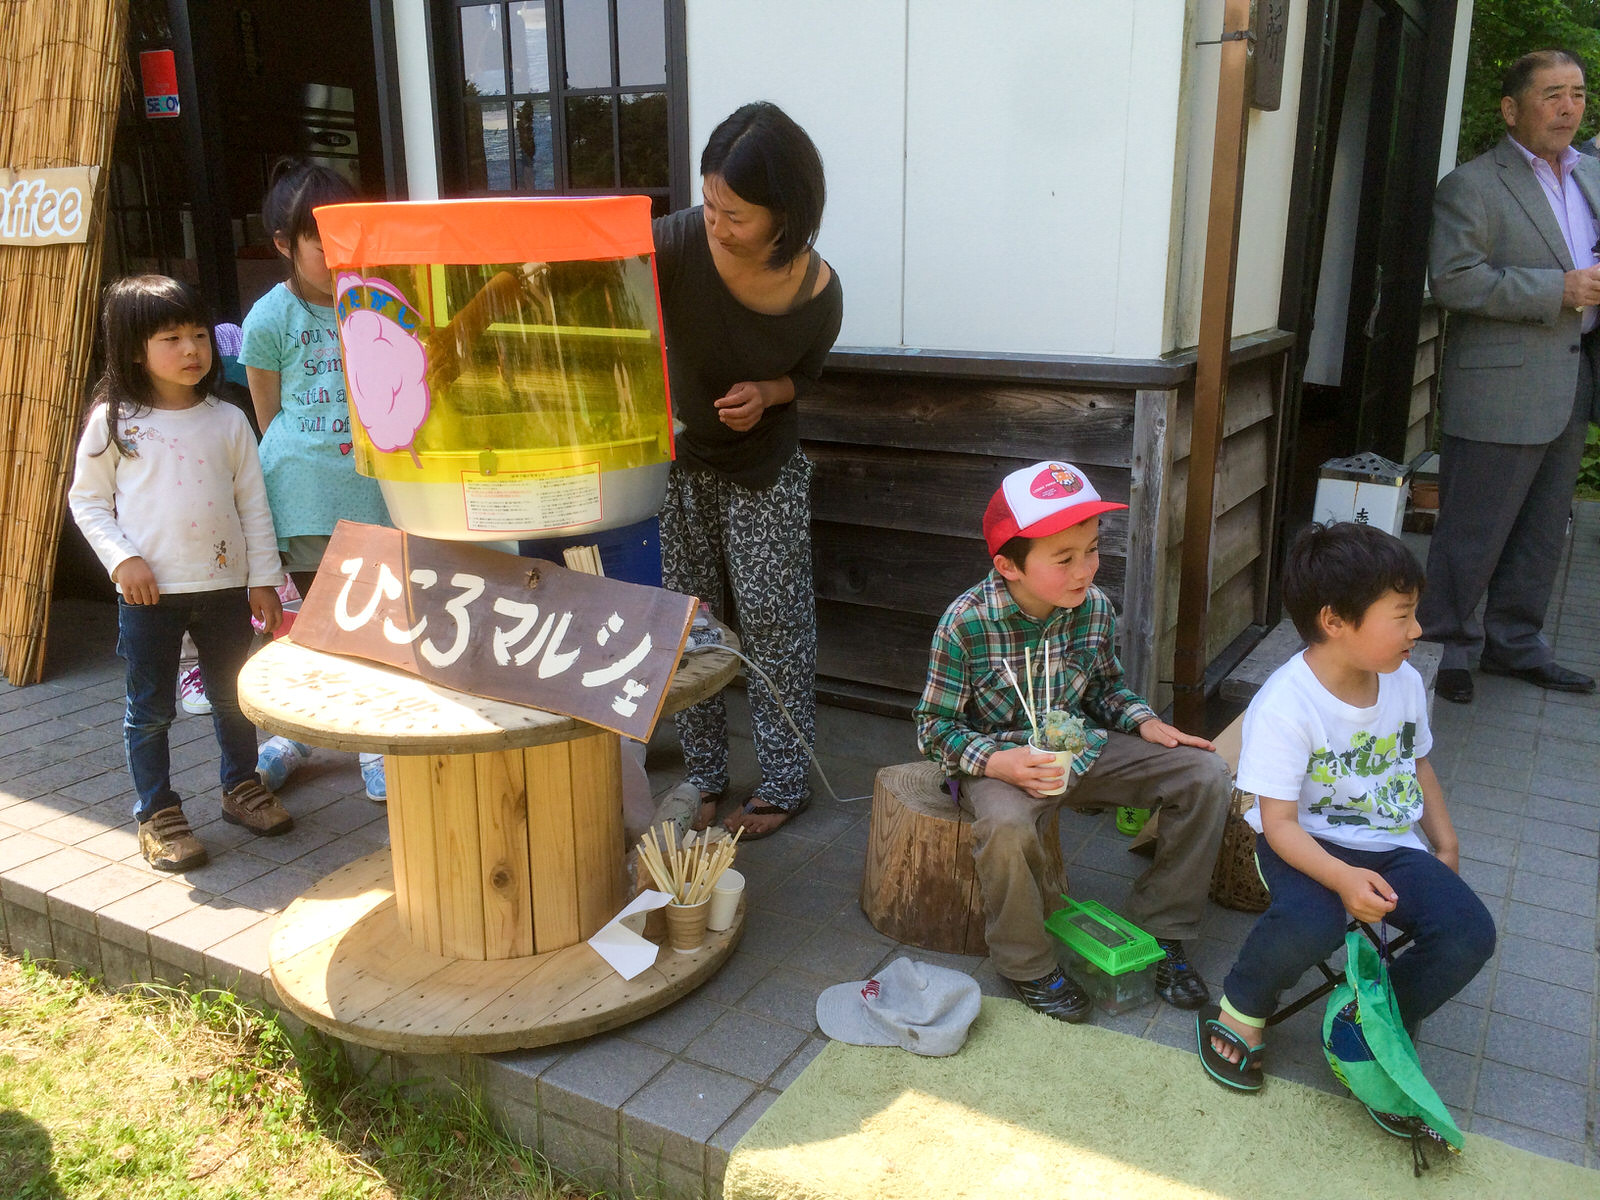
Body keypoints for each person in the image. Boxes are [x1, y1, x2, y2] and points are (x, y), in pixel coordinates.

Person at [915, 460, 1232, 1022]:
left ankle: (1163, 930)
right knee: (1007, 828)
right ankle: (1027, 965)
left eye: (1090, 550)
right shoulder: (965, 624)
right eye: (1064, 558)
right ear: (1008, 565)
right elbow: (932, 727)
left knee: (1203, 774)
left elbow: (1105, 691)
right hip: (1003, 762)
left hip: (1079, 748)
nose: (1084, 570)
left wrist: (1140, 720)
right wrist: (1000, 762)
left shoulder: (1094, 610)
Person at [1197, 524, 1495, 1118]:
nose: (1417, 631)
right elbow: (1277, 824)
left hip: (1389, 843)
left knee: (1470, 932)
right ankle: (1242, 1006)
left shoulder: (1404, 681)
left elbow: (1417, 760)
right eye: (1402, 616)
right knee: (1313, 921)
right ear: (1335, 622)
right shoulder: (1286, 704)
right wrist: (1339, 878)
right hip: (1303, 844)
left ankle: (1379, 1021)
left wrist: (1446, 841)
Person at [652, 102, 843, 840]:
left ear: (785, 215)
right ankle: (702, 775)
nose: (716, 223)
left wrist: (768, 392)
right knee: (688, 622)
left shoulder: (819, 293)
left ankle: (787, 782)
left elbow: (807, 377)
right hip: (678, 463)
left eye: (736, 213)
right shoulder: (671, 244)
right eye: (710, 202)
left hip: (765, 467)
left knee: (775, 623)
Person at [68, 275, 291, 872]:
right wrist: (123, 559)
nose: (192, 349)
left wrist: (262, 578)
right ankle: (157, 812)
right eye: (172, 337)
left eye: (199, 335)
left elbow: (253, 505)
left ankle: (241, 787)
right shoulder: (115, 422)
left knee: (231, 698)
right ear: (135, 349)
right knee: (151, 708)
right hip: (148, 596)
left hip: (222, 589)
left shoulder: (227, 420)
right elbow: (86, 502)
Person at [1423, 48, 1599, 704]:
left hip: (1572, 379)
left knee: (1544, 527)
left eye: (1578, 93)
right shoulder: (1472, 184)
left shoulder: (1591, 177)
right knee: (1474, 529)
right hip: (1500, 385)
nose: (1568, 107)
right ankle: (1446, 645)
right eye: (1552, 93)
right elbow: (1455, 280)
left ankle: (1516, 642)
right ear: (1511, 108)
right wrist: (1560, 288)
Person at [240, 159, 390, 801]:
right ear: (283, 245)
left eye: (347, 234)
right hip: (304, 497)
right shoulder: (269, 320)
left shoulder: (383, 298)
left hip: (378, 495)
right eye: (319, 241)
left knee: (380, 624)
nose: (338, 253)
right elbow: (268, 417)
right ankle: (314, 734)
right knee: (322, 626)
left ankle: (368, 737)